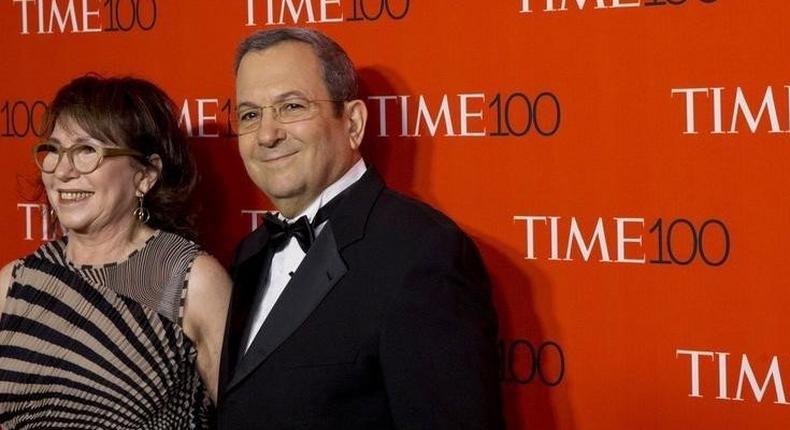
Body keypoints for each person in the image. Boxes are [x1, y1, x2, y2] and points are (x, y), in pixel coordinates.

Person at [218, 28, 504, 429]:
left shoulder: (421, 254)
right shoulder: (249, 253)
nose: (267, 134)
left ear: (352, 122)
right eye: (250, 114)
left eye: (292, 107)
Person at [0, 75, 232, 429]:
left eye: (87, 151)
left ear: (145, 175)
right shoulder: (15, 284)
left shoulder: (189, 280)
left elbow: (248, 415)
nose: (63, 171)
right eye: (54, 151)